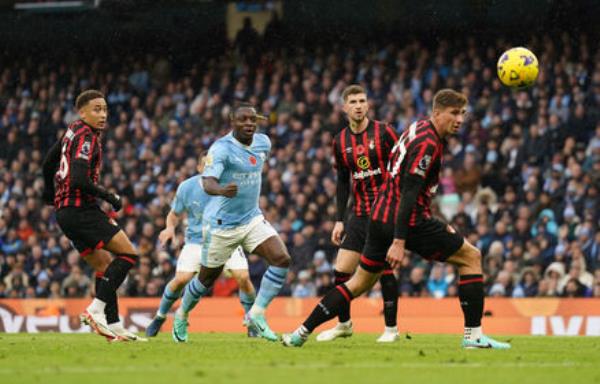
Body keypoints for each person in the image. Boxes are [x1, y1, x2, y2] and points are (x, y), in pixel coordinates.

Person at [282, 89, 511, 349]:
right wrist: (399, 240)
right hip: (408, 220)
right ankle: (474, 335)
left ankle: (300, 333)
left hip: (378, 216)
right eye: (454, 113)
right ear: (437, 113)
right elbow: (409, 192)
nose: (460, 119)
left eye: (463, 114)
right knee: (471, 257)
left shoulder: (420, 128)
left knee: (357, 283)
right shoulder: (428, 144)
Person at [172, 104, 291, 342]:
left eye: (252, 119)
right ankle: (182, 314)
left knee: (281, 259)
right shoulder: (221, 149)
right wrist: (222, 190)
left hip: (251, 218)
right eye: (242, 119)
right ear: (232, 122)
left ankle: (256, 314)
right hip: (222, 225)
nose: (248, 123)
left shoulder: (263, 142)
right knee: (206, 279)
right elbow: (207, 182)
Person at [41, 90, 145, 342]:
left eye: (105, 109)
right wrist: (110, 196)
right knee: (129, 254)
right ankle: (95, 310)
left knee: (103, 266)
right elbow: (78, 179)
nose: (103, 114)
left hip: (66, 212)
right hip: (80, 210)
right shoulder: (86, 136)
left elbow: (48, 162)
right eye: (97, 109)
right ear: (82, 112)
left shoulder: (72, 130)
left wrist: (48, 193)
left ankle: (114, 326)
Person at [318, 85, 400, 343]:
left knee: (385, 270)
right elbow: (343, 181)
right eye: (352, 101)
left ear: (368, 105)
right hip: (360, 215)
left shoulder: (384, 132)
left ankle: (391, 329)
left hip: (385, 212)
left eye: (362, 101)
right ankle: (344, 324)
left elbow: (401, 164)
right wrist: (340, 219)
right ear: (344, 107)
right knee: (341, 270)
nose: (358, 105)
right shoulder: (340, 141)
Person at [145, 156, 257, 339]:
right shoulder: (187, 187)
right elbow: (174, 214)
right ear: (198, 167)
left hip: (226, 240)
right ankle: (160, 316)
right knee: (181, 279)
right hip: (196, 242)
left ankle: (251, 320)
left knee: (243, 276)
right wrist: (169, 228)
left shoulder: (230, 186)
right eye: (206, 165)